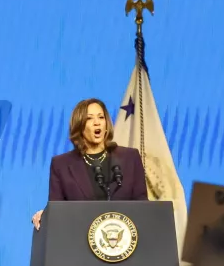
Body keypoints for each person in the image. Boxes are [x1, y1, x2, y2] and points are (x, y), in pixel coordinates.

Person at [32, 98, 148, 229]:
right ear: (80, 126)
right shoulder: (61, 165)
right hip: (79, 241)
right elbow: (57, 208)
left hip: (125, 239)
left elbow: (143, 206)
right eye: (90, 119)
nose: (97, 123)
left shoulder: (130, 158)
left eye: (101, 117)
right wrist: (46, 215)